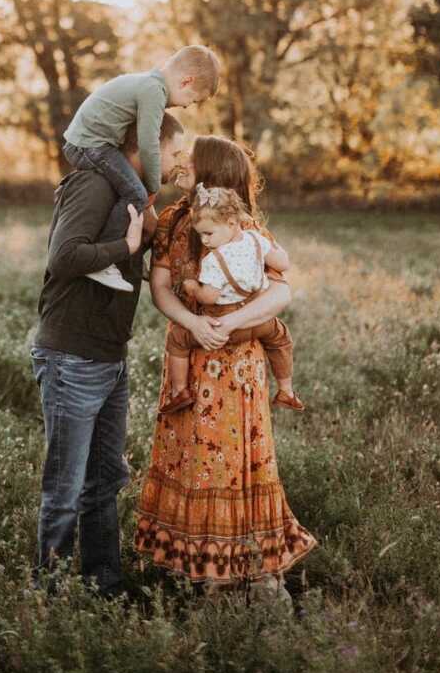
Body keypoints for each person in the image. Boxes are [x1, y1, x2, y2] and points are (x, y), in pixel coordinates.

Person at [134, 134, 317, 598]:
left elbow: (282, 291)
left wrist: (231, 320)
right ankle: (205, 571)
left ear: (212, 172)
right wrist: (192, 324)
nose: (181, 165)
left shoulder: (244, 227)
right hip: (190, 360)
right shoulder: (176, 222)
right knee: (196, 464)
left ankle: (254, 569)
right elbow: (159, 288)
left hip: (237, 367)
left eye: (190, 162)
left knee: (238, 465)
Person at [31, 111, 189, 597]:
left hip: (109, 357)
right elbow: (65, 257)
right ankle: (47, 596)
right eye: (173, 153)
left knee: (104, 479)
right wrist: (126, 245)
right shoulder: (93, 184)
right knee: (65, 490)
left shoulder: (132, 196)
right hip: (72, 357)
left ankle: (105, 586)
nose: (175, 163)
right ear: (146, 146)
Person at [61, 46, 221, 291]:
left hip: (94, 143)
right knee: (137, 193)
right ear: (186, 81)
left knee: (141, 201)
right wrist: (153, 185)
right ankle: (104, 258)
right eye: (192, 99)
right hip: (88, 145)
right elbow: (148, 144)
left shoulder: (149, 84)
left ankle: (130, 260)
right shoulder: (153, 91)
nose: (188, 106)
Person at [162, 182, 305, 415]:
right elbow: (282, 264)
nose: (205, 241)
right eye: (201, 235)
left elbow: (210, 297)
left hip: (223, 324)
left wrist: (193, 288)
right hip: (257, 321)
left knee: (178, 338)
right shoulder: (256, 239)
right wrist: (274, 249)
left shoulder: (213, 260)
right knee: (280, 337)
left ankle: (179, 392)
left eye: (208, 233)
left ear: (231, 223)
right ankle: (286, 390)